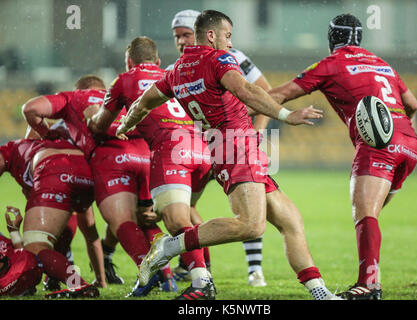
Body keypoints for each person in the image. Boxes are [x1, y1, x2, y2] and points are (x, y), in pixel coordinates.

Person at [117, 10, 340, 300]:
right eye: (228, 36)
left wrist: (124, 124)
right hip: (235, 146)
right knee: (250, 225)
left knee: (290, 220)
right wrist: (287, 114)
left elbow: (142, 104)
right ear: (212, 35)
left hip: (224, 145)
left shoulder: (174, 72)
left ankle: (320, 292)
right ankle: (169, 247)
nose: (230, 43)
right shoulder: (218, 59)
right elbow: (247, 89)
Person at [268, 13, 417, 300]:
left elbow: (280, 95)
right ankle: (370, 281)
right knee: (370, 216)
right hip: (409, 143)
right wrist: (397, 129)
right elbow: (412, 103)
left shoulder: (331, 64)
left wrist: (242, 99)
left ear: (331, 39)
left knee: (364, 215)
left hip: (379, 145)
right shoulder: (382, 64)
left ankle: (369, 285)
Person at [88, 36, 213, 299]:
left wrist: (96, 123)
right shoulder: (174, 73)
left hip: (169, 150)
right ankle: (199, 270)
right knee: (184, 216)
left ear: (129, 62)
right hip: (203, 149)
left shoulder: (125, 80)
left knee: (176, 222)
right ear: (157, 61)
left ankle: (200, 280)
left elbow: (100, 125)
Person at [21, 76, 163, 291]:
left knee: (43, 238)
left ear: (78, 89)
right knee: (142, 219)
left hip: (76, 170)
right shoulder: (118, 102)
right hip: (142, 157)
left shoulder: (71, 103)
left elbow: (31, 117)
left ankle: (63, 278)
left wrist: (47, 134)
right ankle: (162, 276)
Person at [168, 8, 271, 287]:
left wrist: (258, 133)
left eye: (186, 34)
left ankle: (254, 269)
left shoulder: (232, 57)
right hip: (197, 148)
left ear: (203, 33)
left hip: (234, 144)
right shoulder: (175, 69)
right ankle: (196, 265)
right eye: (177, 36)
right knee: (186, 206)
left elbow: (262, 90)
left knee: (254, 205)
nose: (181, 41)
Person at [0, 138, 105, 298]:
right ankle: (57, 278)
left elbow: (27, 257)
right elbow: (90, 230)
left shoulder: (11, 152)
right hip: (86, 168)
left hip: (55, 169)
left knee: (37, 245)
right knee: (55, 233)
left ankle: (78, 286)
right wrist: (101, 279)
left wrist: (14, 232)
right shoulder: (36, 146)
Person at [0, 207, 43, 297]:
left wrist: (14, 231)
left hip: (19, 270)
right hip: (12, 278)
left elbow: (18, 253)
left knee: (45, 255)